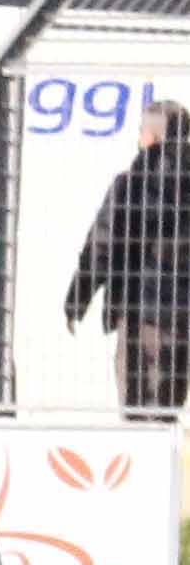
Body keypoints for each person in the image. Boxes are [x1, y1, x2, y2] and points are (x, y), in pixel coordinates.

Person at [73, 98, 190, 412]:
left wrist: (79, 295)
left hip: (137, 308)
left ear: (149, 137)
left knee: (135, 407)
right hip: (182, 316)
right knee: (168, 407)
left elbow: (103, 241)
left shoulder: (131, 184)